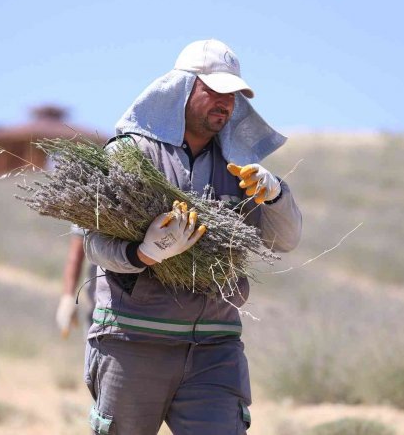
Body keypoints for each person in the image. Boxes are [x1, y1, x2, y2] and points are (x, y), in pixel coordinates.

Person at [82, 39, 302, 434]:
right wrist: (144, 253)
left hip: (214, 348)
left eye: (233, 94)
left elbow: (285, 241)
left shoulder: (241, 166)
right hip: (133, 340)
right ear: (181, 89)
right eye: (214, 90)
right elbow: (94, 244)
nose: (226, 102)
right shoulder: (130, 154)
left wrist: (275, 195)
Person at [55, 225, 98, 338]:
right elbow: (75, 255)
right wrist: (68, 299)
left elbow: (75, 257)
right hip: (100, 310)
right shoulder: (93, 208)